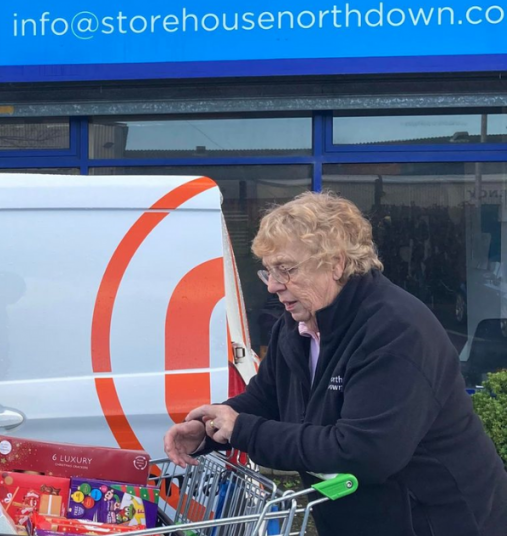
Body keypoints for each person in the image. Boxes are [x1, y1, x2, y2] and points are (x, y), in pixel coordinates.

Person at [164, 192, 507, 536]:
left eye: (286, 269)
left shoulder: (396, 330)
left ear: (336, 264)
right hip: (359, 518)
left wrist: (244, 430)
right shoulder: (297, 321)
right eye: (268, 271)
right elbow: (267, 398)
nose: (272, 286)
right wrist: (210, 429)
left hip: (437, 521)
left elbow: (365, 452)